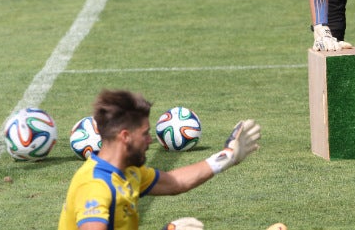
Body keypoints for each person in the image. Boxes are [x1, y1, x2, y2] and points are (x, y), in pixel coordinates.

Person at [58, 89, 262, 230]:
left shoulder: (127, 171)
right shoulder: (95, 186)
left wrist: (227, 156)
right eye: (145, 133)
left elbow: (175, 182)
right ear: (125, 137)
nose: (150, 140)